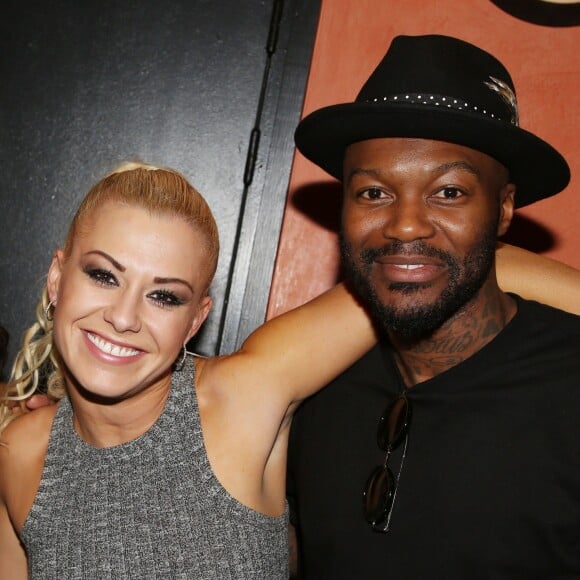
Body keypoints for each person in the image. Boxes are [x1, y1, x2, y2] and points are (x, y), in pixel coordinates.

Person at [287, 34, 580, 578]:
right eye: (373, 193)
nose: (404, 226)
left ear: (504, 208)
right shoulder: (310, 390)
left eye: (449, 192)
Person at [0, 162, 379, 579]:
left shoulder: (243, 395)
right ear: (57, 279)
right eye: (104, 276)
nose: (124, 318)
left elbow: (402, 275)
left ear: (195, 321)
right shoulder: (20, 452)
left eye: (164, 296)